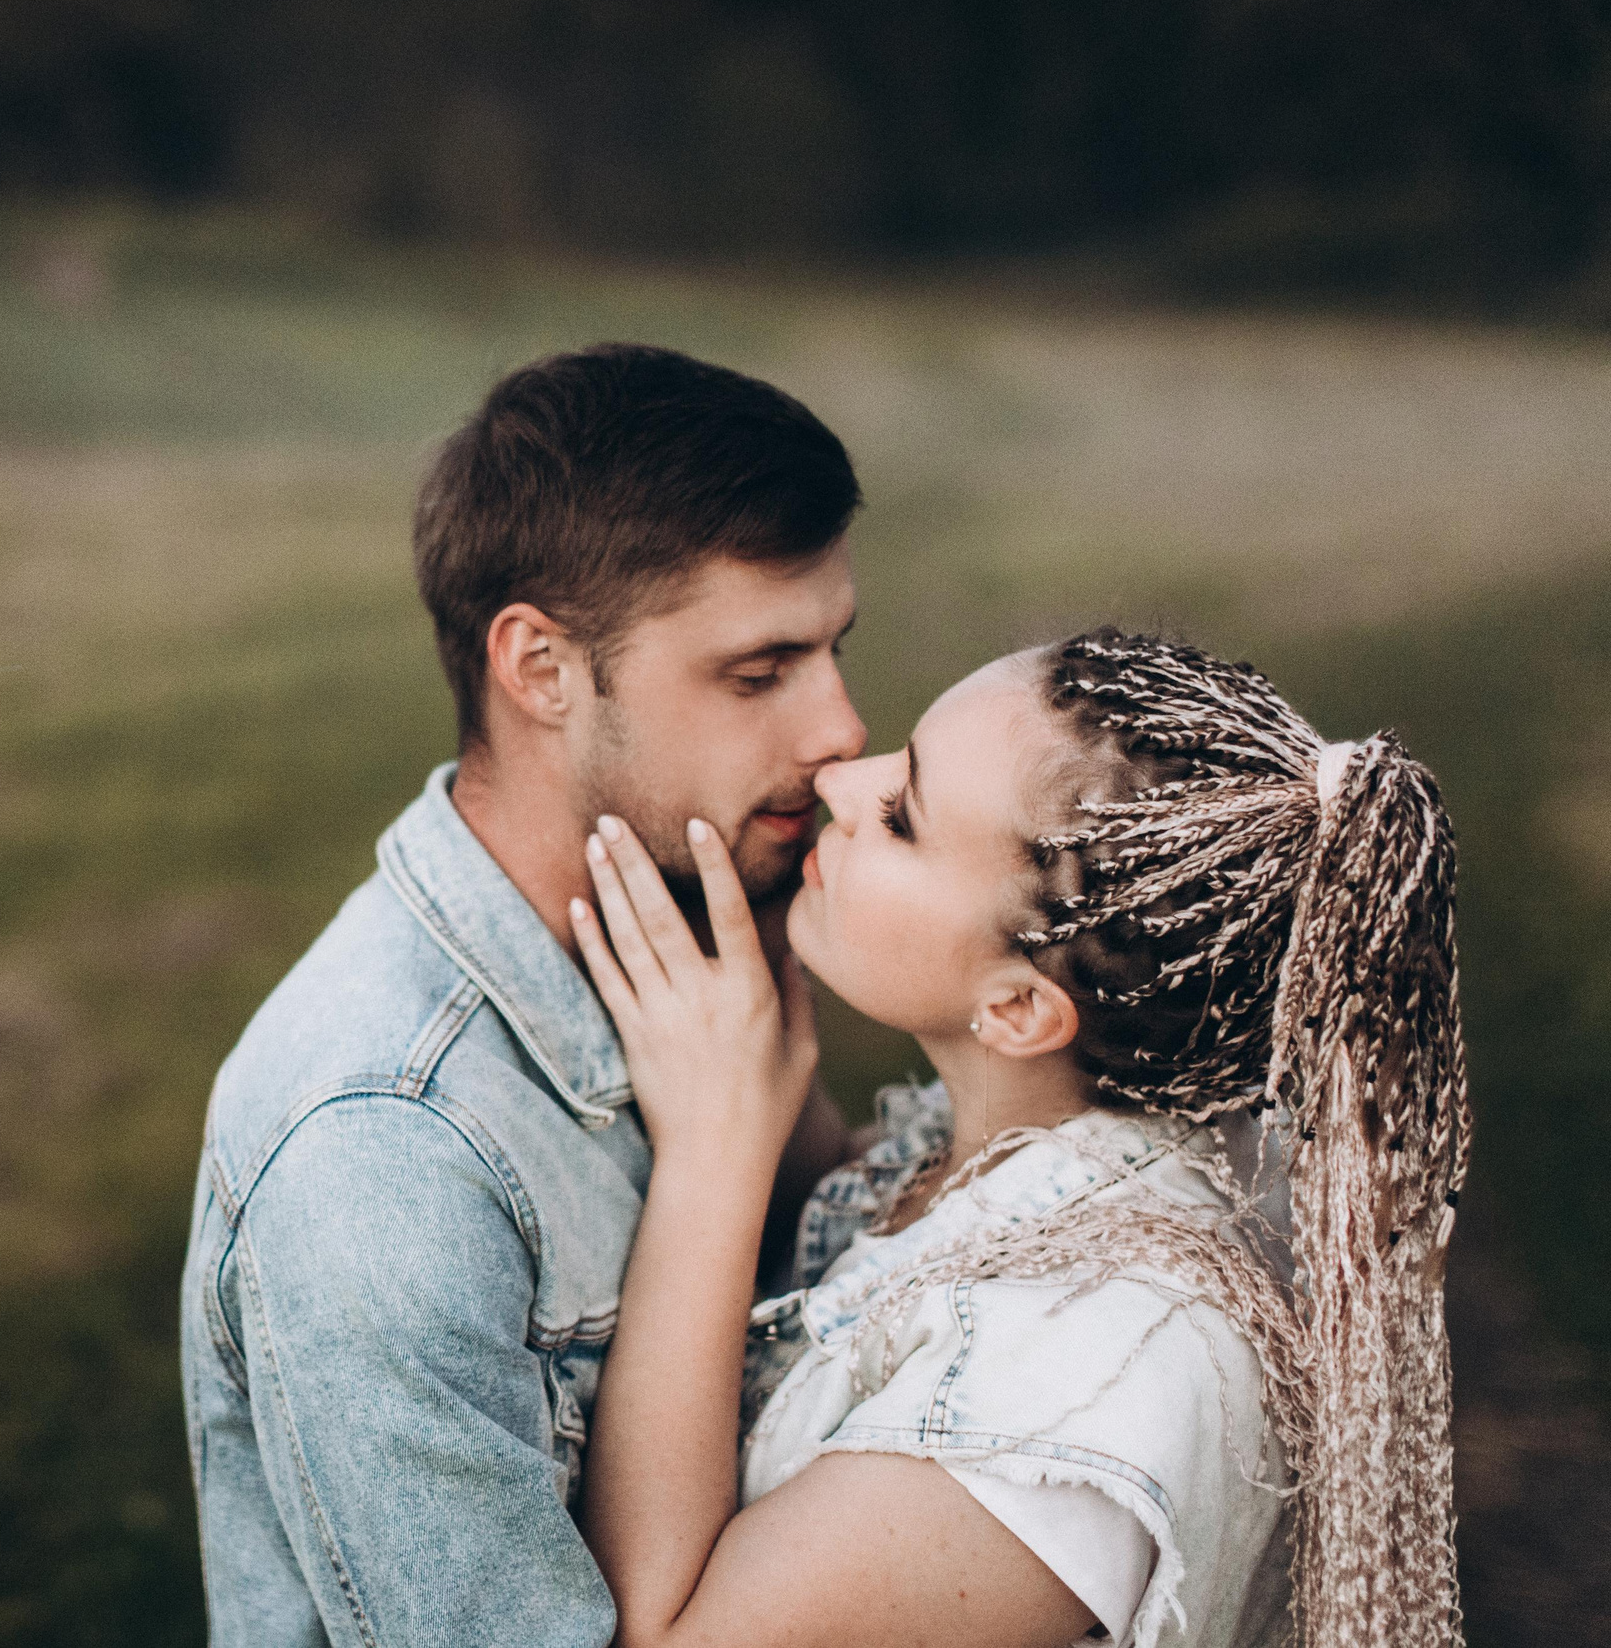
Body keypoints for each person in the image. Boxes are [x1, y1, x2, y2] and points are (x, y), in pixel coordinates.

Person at [569, 630, 1468, 1648]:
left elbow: (656, 1635)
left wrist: (711, 1150)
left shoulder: (1077, 1386)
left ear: (1015, 1010)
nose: (840, 779)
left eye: (900, 817)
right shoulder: (1042, 1147)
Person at [180, 343, 871, 1645]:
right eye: (759, 669)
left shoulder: (689, 930)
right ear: (542, 669)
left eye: (836, 647)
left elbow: (852, 1249)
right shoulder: (381, 1151)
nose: (840, 726)